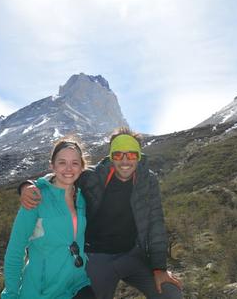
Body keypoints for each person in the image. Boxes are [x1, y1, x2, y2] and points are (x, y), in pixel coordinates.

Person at [20, 127, 183, 299]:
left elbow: (155, 223)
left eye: (132, 155)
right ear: (111, 157)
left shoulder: (148, 180)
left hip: (133, 254)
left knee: (170, 293)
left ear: (139, 156)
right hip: (96, 257)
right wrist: (27, 186)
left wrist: (159, 268)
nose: (125, 161)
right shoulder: (92, 177)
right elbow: (60, 176)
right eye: (119, 155)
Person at [2, 139, 95, 299]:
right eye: (62, 162)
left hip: (77, 285)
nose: (68, 169)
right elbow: (15, 251)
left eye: (74, 163)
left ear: (82, 167)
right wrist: (11, 294)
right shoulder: (36, 197)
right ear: (52, 165)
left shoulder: (82, 197)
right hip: (43, 291)